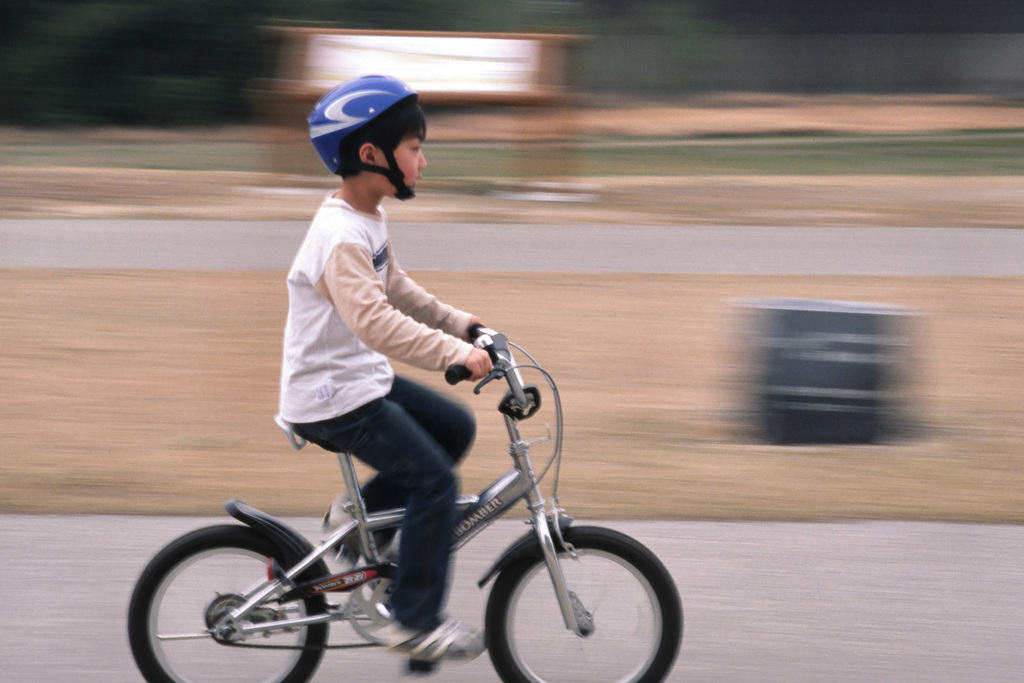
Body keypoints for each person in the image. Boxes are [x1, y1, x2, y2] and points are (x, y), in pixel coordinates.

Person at [277, 75, 492, 663]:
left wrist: (464, 324)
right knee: (435, 483)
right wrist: (455, 355)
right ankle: (414, 621)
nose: (424, 159)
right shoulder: (340, 235)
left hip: (356, 382)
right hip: (330, 399)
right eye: (415, 147)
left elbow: (395, 288)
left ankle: (363, 516)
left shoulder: (367, 218)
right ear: (372, 155)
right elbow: (377, 323)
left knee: (455, 430)